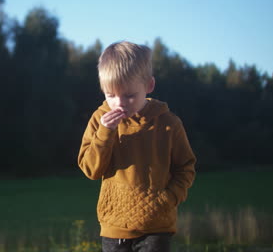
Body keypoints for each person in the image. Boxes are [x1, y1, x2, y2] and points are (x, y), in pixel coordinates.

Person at [78, 41, 196, 252]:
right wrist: (105, 132)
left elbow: (186, 168)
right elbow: (91, 170)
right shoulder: (100, 119)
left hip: (157, 227)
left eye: (129, 95)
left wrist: (168, 199)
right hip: (114, 227)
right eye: (111, 95)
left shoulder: (169, 123)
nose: (120, 103)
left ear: (149, 86)